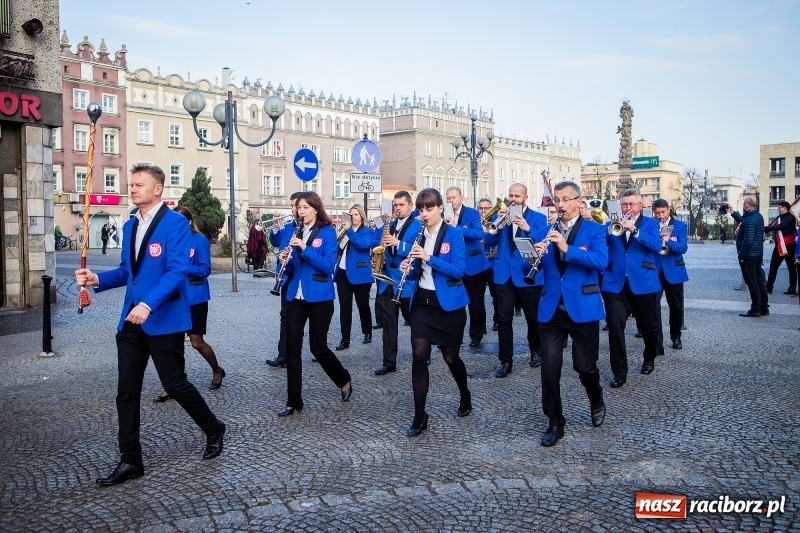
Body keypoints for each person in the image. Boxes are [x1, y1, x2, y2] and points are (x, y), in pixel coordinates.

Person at [74, 164, 225, 487]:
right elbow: (128, 272)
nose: (132, 188)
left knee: (176, 382)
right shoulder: (130, 225)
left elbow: (176, 271)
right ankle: (130, 460)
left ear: (158, 189)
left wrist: (148, 304)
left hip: (163, 318)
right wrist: (97, 278)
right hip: (131, 321)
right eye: (131, 184)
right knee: (125, 392)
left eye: (139, 184)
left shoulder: (175, 224)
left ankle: (213, 428)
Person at [527, 182, 608, 447]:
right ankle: (555, 421)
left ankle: (596, 397)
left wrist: (566, 248)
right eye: (556, 200)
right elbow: (530, 267)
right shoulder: (543, 231)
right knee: (549, 370)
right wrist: (531, 258)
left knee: (584, 367)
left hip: (583, 308)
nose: (560, 204)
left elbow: (600, 262)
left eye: (565, 199)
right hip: (552, 310)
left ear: (578, 201)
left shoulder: (595, 230)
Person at [398, 188, 471, 436]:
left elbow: (459, 270)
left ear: (441, 208)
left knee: (451, 357)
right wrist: (407, 265)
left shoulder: (455, 234)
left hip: (448, 304)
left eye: (429, 208)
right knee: (419, 353)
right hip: (422, 301)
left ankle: (465, 392)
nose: (425, 213)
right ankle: (420, 415)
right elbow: (414, 264)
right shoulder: (417, 233)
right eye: (421, 209)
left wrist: (428, 257)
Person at [278, 191, 353, 416]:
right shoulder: (294, 231)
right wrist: (285, 260)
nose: (301, 212)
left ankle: (343, 379)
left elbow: (328, 266)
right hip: (295, 297)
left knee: (318, 347)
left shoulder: (328, 233)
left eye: (305, 208)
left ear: (316, 209)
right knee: (292, 348)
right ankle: (294, 400)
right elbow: (293, 269)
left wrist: (304, 248)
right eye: (299, 208)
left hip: (320, 297)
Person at [154, 206, 225, 402]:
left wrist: (181, 267)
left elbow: (205, 270)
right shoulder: (168, 240)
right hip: (173, 297)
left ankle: (217, 370)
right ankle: (172, 385)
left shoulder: (199, 240)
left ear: (188, 222)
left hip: (195, 297)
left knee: (196, 342)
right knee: (173, 344)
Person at [483, 183, 547, 377]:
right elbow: (489, 240)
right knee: (503, 319)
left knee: (532, 317)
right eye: (510, 195)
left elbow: (543, 242)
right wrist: (500, 224)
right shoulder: (500, 217)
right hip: (503, 274)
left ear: (525, 198)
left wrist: (527, 229)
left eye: (517, 196)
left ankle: (536, 349)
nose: (513, 199)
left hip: (527, 273)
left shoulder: (538, 218)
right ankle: (505, 360)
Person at [602, 189, 664, 387]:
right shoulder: (611, 224)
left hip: (643, 282)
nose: (628, 208)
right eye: (624, 204)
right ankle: (619, 372)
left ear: (640, 206)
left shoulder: (652, 224)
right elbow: (601, 244)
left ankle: (649, 356)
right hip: (616, 283)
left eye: (631, 204)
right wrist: (609, 229)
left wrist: (635, 231)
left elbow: (657, 245)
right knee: (615, 326)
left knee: (649, 326)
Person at [374, 191, 422, 375]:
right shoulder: (390, 224)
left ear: (410, 205)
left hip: (406, 280)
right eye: (396, 205)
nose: (398, 208)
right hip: (387, 280)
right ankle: (389, 361)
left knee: (413, 320)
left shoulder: (418, 225)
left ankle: (422, 353)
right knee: (388, 323)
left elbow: (418, 248)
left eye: (401, 205)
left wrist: (398, 242)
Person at [445, 187, 489, 348]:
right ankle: (454, 334)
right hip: (453, 263)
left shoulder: (471, 213)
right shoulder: (443, 215)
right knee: (455, 300)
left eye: (454, 197)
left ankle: (476, 334)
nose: (451, 201)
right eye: (448, 198)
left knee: (475, 301)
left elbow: (479, 234)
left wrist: (456, 228)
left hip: (473, 263)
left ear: (461, 198)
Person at [334, 204, 378, 350]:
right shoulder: (344, 231)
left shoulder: (368, 231)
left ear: (362, 216)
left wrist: (349, 232)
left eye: (356, 214)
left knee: (363, 305)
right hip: (342, 272)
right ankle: (345, 339)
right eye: (351, 214)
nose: (353, 217)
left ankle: (367, 331)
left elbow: (362, 245)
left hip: (360, 273)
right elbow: (338, 248)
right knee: (345, 307)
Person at [266, 192, 302, 368]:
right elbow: (275, 241)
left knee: (304, 317)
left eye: (296, 206)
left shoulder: (307, 228)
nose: (293, 209)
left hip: (301, 277)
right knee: (285, 316)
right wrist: (274, 226)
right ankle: (283, 355)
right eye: (292, 206)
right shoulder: (288, 226)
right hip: (286, 276)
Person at [653, 199, 689, 350]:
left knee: (676, 307)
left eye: (663, 212)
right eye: (657, 213)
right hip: (655, 271)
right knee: (653, 308)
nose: (660, 215)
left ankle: (676, 337)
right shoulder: (651, 225)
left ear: (668, 210)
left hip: (674, 271)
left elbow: (683, 248)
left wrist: (668, 242)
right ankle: (657, 341)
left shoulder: (680, 226)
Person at [728, 198, 768, 316]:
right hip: (757, 254)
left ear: (746, 205)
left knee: (752, 283)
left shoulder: (750, 220)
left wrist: (741, 255)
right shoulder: (758, 216)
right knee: (759, 281)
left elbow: (748, 240)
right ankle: (764, 308)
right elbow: (744, 222)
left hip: (749, 256)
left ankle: (755, 309)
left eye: (743, 204)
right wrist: (733, 213)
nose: (743, 206)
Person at [763, 201, 797, 295]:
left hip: (789, 245)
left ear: (785, 208)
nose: (778, 209)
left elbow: (781, 226)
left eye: (780, 207)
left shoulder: (790, 217)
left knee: (791, 268)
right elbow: (772, 226)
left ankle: (792, 288)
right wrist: (765, 228)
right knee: (773, 267)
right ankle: (769, 287)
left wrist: (767, 228)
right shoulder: (778, 218)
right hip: (779, 246)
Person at [477, 197, 499, 332]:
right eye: (481, 208)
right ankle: (480, 327)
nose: (483, 211)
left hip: (492, 263)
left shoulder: (495, 222)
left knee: (496, 295)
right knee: (478, 298)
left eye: (486, 208)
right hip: (478, 263)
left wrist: (487, 233)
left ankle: (497, 321)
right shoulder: (476, 222)